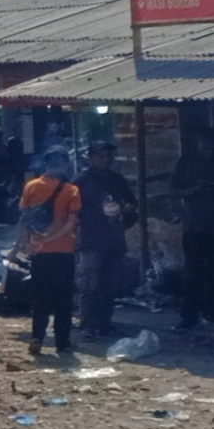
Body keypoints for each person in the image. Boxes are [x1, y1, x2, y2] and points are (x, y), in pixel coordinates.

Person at [19, 147, 82, 355]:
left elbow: (24, 221)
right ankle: (62, 342)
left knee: (40, 298)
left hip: (38, 253)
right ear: (64, 165)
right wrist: (50, 240)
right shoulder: (71, 190)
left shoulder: (30, 187)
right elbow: (70, 225)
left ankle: (37, 336)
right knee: (63, 299)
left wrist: (24, 245)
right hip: (63, 252)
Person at [73, 141, 136, 338]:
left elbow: (132, 202)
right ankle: (87, 326)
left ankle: (104, 324)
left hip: (115, 240)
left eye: (108, 156)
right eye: (101, 156)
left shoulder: (117, 179)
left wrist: (126, 210)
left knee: (110, 286)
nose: (105, 159)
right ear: (91, 158)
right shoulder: (81, 181)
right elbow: (73, 210)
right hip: (91, 241)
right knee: (90, 285)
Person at [171, 128, 214, 329]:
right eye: (203, 144)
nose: (207, 148)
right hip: (194, 226)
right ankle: (189, 315)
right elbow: (174, 191)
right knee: (194, 272)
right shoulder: (187, 162)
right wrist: (196, 189)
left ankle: (211, 312)